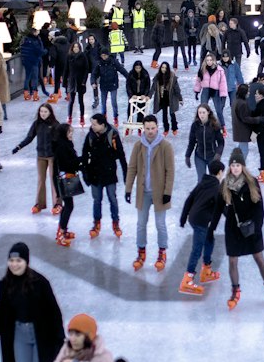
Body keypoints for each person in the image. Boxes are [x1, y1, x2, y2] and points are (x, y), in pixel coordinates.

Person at [213, 149, 264, 309]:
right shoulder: (225, 184)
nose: (235, 168)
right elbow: (218, 207)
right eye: (233, 165)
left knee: (259, 258)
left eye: (238, 165)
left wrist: (256, 227)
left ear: (243, 166)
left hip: (252, 228)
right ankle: (235, 291)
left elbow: (259, 207)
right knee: (233, 261)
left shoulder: (252, 182)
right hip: (233, 228)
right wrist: (213, 228)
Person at [125, 114, 174, 272]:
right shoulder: (139, 146)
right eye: (147, 129)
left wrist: (167, 192)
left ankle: (162, 252)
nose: (150, 131)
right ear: (143, 129)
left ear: (157, 128)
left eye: (153, 128)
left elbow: (170, 171)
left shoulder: (165, 146)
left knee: (160, 224)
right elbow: (132, 168)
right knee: (140, 224)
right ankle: (141, 252)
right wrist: (128, 188)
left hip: (160, 192)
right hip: (143, 191)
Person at [178, 156, 225, 295]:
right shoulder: (216, 187)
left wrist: (183, 218)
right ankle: (187, 279)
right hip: (200, 221)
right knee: (197, 249)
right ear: (220, 172)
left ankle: (206, 270)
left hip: (194, 217)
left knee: (209, 240)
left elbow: (189, 200)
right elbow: (221, 207)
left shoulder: (203, 182)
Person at [80, 111, 127, 239]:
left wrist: (125, 173)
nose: (92, 126)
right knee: (97, 200)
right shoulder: (90, 136)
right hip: (95, 173)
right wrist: (84, 172)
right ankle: (96, 223)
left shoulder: (112, 134)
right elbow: (84, 154)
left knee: (112, 198)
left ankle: (115, 223)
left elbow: (121, 154)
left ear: (102, 125)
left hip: (109, 172)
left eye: (94, 124)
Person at [11, 100, 60, 216]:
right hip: (41, 156)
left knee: (54, 180)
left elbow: (60, 141)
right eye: (41, 111)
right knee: (40, 180)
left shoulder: (55, 124)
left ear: (50, 112)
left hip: (53, 157)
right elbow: (29, 137)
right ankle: (39, 204)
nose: (43, 114)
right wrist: (19, 146)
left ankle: (57, 204)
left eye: (45, 112)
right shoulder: (36, 124)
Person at [51, 118, 83, 249]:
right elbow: (68, 164)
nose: (71, 135)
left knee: (69, 205)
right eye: (70, 132)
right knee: (68, 206)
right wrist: (82, 161)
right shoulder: (62, 147)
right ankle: (61, 232)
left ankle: (63, 230)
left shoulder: (66, 144)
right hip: (65, 179)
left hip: (67, 178)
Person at [185, 103, 224, 182]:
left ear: (208, 112)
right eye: (200, 113)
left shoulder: (214, 125)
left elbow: (221, 142)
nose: (201, 115)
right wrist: (187, 156)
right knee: (201, 181)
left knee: (213, 180)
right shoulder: (195, 125)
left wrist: (218, 154)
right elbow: (192, 142)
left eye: (203, 112)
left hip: (213, 157)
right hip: (199, 156)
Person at [152, 61, 183, 135]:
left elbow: (177, 89)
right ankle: (166, 129)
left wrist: (180, 98)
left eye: (165, 68)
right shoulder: (158, 77)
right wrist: (148, 96)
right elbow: (153, 88)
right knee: (164, 113)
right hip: (162, 97)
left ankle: (174, 128)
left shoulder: (172, 77)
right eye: (162, 67)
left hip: (171, 97)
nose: (164, 69)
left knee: (172, 113)